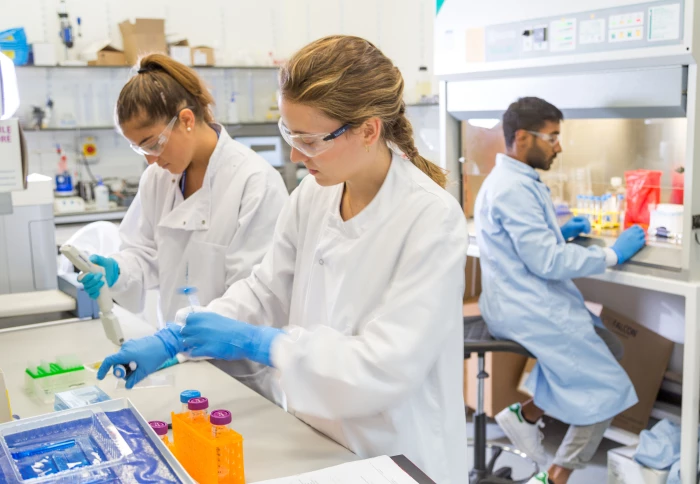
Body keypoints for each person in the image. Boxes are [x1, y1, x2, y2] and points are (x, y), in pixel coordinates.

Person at [97, 36, 469, 483]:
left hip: (397, 453)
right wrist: (179, 335)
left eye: (309, 140)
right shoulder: (313, 194)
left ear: (369, 131)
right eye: (289, 135)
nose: (294, 155)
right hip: (316, 440)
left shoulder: (431, 218)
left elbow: (383, 367)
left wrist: (265, 344)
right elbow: (264, 288)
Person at [80, 54, 288, 396]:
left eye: (153, 143)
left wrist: (176, 338)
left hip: (239, 375)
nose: (151, 159)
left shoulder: (254, 181)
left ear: (187, 120)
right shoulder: (157, 178)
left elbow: (253, 295)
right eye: (139, 150)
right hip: (174, 360)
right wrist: (117, 270)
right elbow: (145, 252)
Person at [474, 97, 647, 484]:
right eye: (552, 137)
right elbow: (547, 262)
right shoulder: (512, 189)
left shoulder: (513, 180)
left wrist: (560, 233)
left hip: (522, 300)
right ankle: (555, 477)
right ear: (522, 137)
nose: (559, 147)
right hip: (527, 308)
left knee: (609, 348)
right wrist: (611, 255)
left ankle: (527, 415)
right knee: (608, 387)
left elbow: (526, 246)